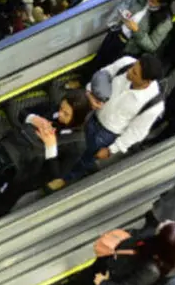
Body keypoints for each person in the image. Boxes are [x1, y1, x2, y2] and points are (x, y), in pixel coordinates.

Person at [0, 89, 92, 226]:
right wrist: (34, 119)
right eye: (61, 108)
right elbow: (23, 113)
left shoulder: (77, 145)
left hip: (32, 174)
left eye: (66, 114)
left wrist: (50, 147)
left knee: (9, 195)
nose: (60, 115)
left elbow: (56, 173)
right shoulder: (53, 108)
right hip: (18, 153)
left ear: (77, 118)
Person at [59, 55, 165, 186]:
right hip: (91, 115)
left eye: (135, 73)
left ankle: (66, 180)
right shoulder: (126, 63)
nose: (129, 71)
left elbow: (136, 132)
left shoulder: (153, 105)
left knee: (85, 159)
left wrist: (112, 150)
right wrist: (90, 94)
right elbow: (102, 75)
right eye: (133, 66)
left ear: (146, 82)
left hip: (104, 135)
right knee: (70, 142)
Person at [88, 0, 175, 74]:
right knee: (99, 58)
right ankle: (84, 77)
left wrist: (137, 31)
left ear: (163, 4)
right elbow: (126, 3)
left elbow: (152, 46)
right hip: (115, 34)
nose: (149, 1)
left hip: (128, 48)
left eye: (153, 2)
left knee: (108, 69)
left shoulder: (164, 21)